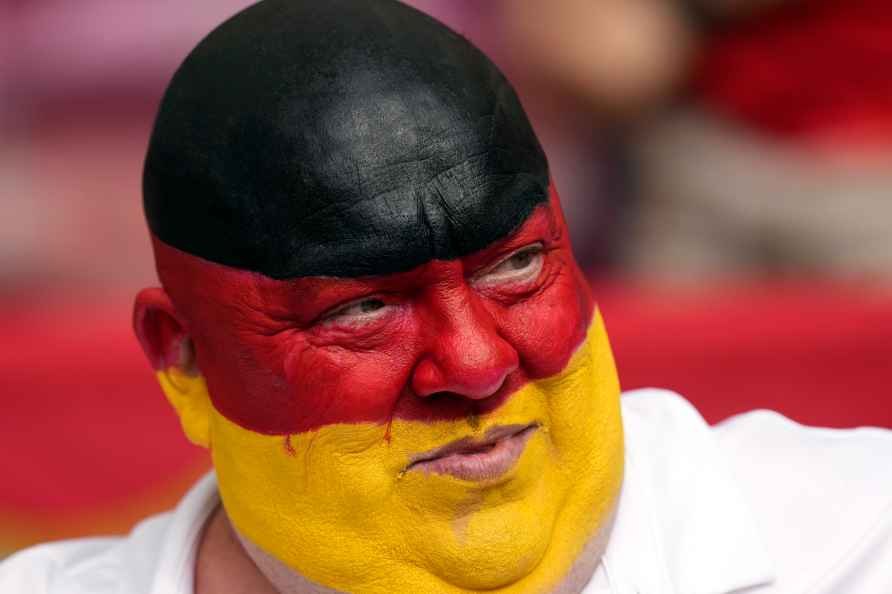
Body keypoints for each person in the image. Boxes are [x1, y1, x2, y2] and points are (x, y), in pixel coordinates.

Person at [2, 1, 891, 592]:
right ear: (182, 356)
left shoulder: (858, 538)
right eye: (360, 309)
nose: (475, 364)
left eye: (515, 267)